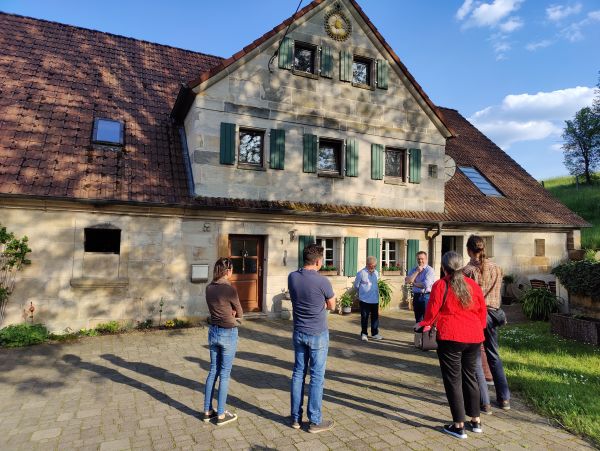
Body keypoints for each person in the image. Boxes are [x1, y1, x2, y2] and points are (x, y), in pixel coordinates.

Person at [416, 251, 487, 439]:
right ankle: (476, 421)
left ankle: (458, 426)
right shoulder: (472, 285)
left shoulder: (441, 285)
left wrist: (423, 324)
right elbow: (482, 311)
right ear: (461, 267)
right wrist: (478, 328)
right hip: (474, 336)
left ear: (443, 267)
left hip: (451, 337)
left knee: (453, 381)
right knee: (470, 377)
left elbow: (431, 313)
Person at [288, 243, 336, 433]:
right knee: (316, 377)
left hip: (299, 331)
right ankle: (315, 420)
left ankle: (295, 418)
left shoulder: (292, 277)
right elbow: (332, 304)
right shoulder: (322, 281)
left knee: (298, 373)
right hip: (317, 333)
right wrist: (322, 305)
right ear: (317, 261)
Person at [463, 235, 511, 412]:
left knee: (475, 358)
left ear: (469, 250)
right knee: (494, 355)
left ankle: (485, 403)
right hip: (494, 314)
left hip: (476, 317)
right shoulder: (497, 268)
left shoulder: (467, 271)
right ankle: (504, 398)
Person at [202, 257, 243, 426]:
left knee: (213, 371)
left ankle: (207, 411)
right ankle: (220, 414)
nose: (232, 273)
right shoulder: (230, 289)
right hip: (228, 332)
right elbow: (240, 313)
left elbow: (216, 309)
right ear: (227, 271)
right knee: (224, 374)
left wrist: (228, 312)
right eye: (231, 270)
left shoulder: (209, 288)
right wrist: (234, 315)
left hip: (213, 332)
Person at [354, 256, 381, 342]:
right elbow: (356, 285)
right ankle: (364, 334)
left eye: (374, 265)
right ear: (367, 264)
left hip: (375, 299)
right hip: (364, 300)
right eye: (370, 265)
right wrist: (362, 294)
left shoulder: (376, 273)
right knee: (364, 317)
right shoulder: (361, 273)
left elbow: (376, 284)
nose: (372, 267)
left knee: (375, 317)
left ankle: (375, 333)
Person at [405, 251, 435, 323]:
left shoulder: (430, 270)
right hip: (416, 296)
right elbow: (407, 281)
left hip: (426, 297)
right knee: (418, 320)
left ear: (426, 259)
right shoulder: (414, 269)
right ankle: (418, 334)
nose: (420, 261)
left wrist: (414, 284)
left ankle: (425, 334)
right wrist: (417, 271)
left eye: (422, 259)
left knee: (426, 320)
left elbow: (425, 285)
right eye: (418, 259)